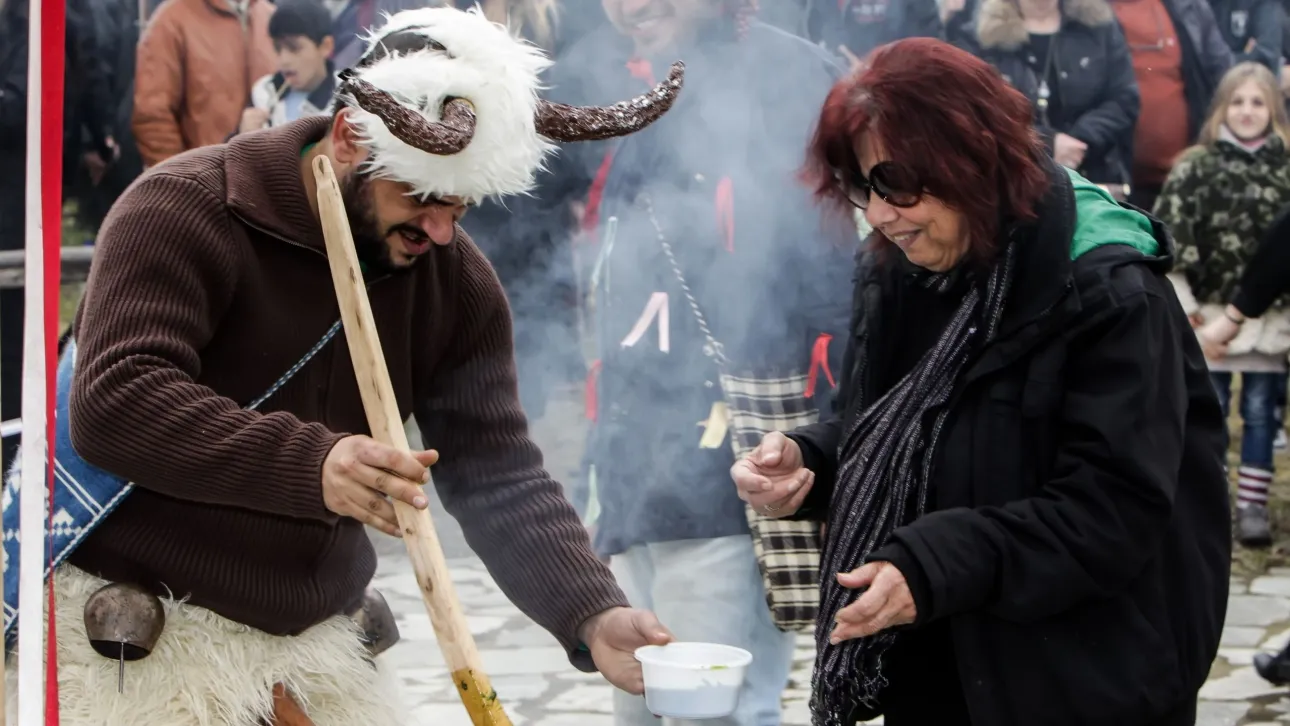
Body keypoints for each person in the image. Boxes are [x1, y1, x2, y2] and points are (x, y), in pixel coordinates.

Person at [6, 7, 685, 724]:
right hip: (141, 638)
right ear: (350, 138)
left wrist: (590, 611)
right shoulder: (180, 207)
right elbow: (116, 402)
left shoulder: (455, 280)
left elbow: (496, 468)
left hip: (318, 650)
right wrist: (314, 466)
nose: (441, 230)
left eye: (460, 205)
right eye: (421, 196)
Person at [731, 37, 1230, 726]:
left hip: (1091, 677)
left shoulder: (1108, 293)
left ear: (973, 161)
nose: (878, 214)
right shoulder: (898, 270)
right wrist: (813, 463)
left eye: (898, 184)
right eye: (861, 187)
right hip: (946, 664)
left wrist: (934, 563)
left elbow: (1109, 513)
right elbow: (887, 433)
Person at [544, 1, 854, 724]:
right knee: (642, 707)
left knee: (720, 709)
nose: (631, 6)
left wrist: (836, 442)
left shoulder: (787, 75)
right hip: (631, 455)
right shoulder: (606, 74)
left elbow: (834, 287)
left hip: (733, 457)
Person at [1153, 61, 1290, 546]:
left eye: (1258, 102)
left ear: (1274, 110)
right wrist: (1184, 303)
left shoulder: (1285, 168)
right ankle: (1208, 498)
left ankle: (1251, 503)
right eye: (1237, 101)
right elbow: (1170, 237)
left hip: (1269, 320)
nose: (1247, 111)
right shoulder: (1196, 166)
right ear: (1220, 108)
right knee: (1205, 408)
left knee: (1260, 412)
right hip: (1206, 317)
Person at [956, 0, 1140, 194]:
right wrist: (1048, 143)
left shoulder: (1098, 25)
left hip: (1096, 176)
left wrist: (1081, 139)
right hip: (1016, 181)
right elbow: (976, 112)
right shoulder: (979, 38)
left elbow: (1124, 97)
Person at [132, 0, 277, 167]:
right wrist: (181, 180)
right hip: (206, 178)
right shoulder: (172, 20)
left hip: (267, 177)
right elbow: (152, 116)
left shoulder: (268, 17)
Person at [240, 0, 339, 133]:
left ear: (325, 46)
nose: (284, 60)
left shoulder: (345, 98)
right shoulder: (264, 92)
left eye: (294, 48)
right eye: (278, 48)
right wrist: (242, 136)